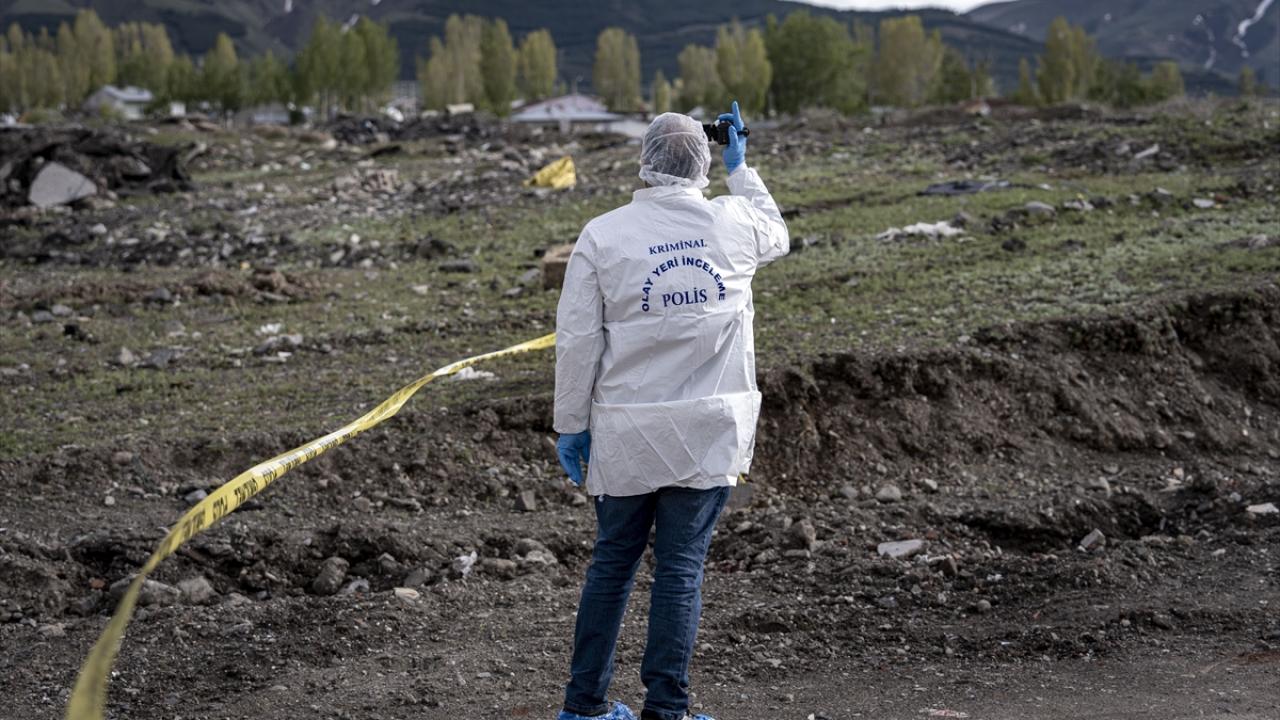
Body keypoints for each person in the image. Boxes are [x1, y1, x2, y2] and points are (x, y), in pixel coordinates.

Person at [552, 101, 789, 720]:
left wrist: (570, 426)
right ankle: (667, 708)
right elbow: (777, 232)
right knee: (679, 569)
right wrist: (742, 167)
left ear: (645, 162)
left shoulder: (603, 235)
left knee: (612, 565)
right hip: (706, 431)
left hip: (627, 432)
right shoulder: (733, 224)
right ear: (704, 160)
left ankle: (584, 707)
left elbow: (578, 342)